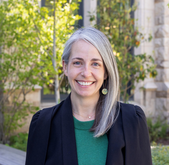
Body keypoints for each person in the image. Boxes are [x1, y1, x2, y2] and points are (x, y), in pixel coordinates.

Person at [25, 27, 152, 165]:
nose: (86, 73)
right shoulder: (43, 124)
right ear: (65, 67)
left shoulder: (132, 120)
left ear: (106, 72)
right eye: (77, 63)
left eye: (95, 64)